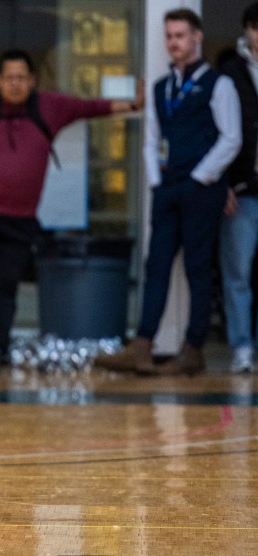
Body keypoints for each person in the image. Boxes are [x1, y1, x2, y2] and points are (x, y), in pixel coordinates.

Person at [0, 49, 143, 371]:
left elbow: (92, 108)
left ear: (32, 81)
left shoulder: (51, 107)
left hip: (20, 219)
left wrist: (133, 104)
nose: (15, 84)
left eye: (22, 78)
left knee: (7, 283)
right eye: (9, 78)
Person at [95, 9, 241, 376]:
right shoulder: (162, 87)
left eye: (180, 35)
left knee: (197, 268)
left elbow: (231, 138)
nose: (173, 42)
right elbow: (151, 140)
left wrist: (201, 177)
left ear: (197, 38)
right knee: (156, 265)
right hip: (167, 188)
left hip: (202, 189)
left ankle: (193, 349)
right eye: (169, 36)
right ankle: (142, 346)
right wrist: (156, 181)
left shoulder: (219, 84)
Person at [217, 2, 258, 373]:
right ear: (247, 30)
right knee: (238, 275)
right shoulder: (228, 74)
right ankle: (242, 347)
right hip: (243, 189)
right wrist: (224, 184)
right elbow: (217, 134)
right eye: (257, 27)